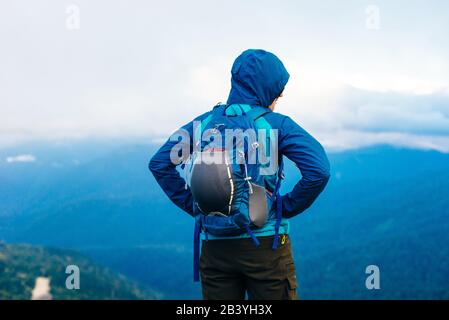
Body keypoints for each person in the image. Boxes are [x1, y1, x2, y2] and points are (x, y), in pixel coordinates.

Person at [149, 49, 330, 300]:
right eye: (278, 92)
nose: (278, 99)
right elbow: (319, 170)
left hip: (214, 247)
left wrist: (196, 206)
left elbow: (160, 163)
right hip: (266, 246)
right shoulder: (277, 125)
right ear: (267, 89)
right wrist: (283, 207)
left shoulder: (204, 124)